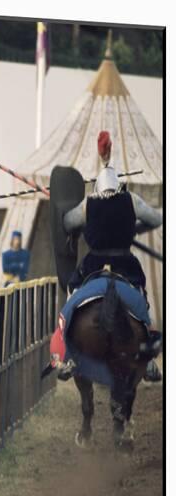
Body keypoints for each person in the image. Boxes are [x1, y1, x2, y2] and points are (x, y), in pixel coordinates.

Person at [63, 131, 163, 380]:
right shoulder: (133, 200)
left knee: (73, 293)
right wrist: (134, 229)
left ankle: (68, 356)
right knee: (139, 297)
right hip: (125, 262)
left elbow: (67, 222)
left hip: (93, 263)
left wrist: (77, 223)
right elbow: (157, 219)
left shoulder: (89, 203)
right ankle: (149, 360)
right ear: (119, 184)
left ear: (97, 186)